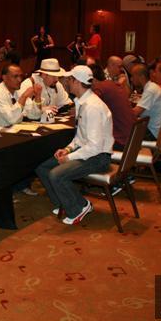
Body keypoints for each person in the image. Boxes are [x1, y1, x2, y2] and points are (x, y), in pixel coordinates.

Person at [35, 65, 113, 225]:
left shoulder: (92, 107)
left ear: (76, 81)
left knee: (56, 174)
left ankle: (79, 207)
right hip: (88, 152)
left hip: (99, 157)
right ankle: (64, 203)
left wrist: (69, 157)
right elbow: (80, 136)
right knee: (41, 167)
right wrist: (68, 149)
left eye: (69, 79)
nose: (66, 82)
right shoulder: (83, 102)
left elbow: (95, 147)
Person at [89, 64, 135, 151]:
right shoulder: (112, 84)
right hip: (131, 139)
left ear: (92, 80)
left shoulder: (99, 88)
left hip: (120, 142)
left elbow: (89, 110)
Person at [130, 63, 161, 139]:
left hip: (153, 132)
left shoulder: (150, 90)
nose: (131, 79)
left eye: (133, 76)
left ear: (141, 77)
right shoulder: (151, 87)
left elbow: (135, 113)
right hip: (154, 129)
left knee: (123, 133)